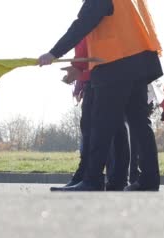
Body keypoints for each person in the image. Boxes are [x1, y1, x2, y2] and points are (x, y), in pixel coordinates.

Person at [39, 0, 163, 191]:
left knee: (101, 123)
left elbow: (83, 22)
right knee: (139, 123)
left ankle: (93, 179)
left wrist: (53, 53)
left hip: (114, 61)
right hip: (141, 61)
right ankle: (149, 180)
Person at [51, 38, 129, 191]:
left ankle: (101, 178)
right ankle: (100, 177)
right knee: (97, 129)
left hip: (103, 76)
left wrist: (76, 67)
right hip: (93, 78)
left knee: (102, 130)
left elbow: (90, 49)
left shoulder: (92, 21)